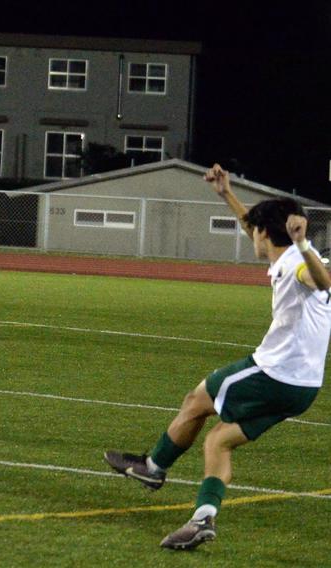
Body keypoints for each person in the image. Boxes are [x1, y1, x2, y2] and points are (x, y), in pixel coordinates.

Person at [104, 164, 331, 550]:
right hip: (303, 387)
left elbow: (323, 280)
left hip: (274, 373)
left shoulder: (297, 263)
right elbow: (254, 226)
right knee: (218, 442)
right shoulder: (284, 258)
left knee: (197, 399)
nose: (250, 235)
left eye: (255, 231)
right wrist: (225, 193)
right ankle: (201, 519)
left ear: (267, 233)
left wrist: (305, 245)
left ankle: (153, 468)